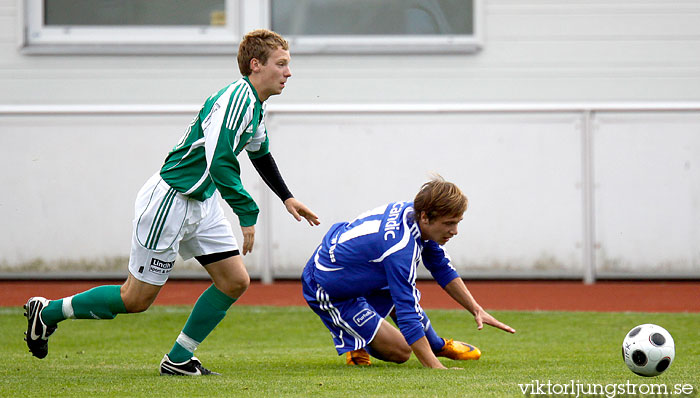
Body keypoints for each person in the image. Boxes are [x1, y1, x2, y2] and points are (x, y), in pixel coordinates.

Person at [23, 29, 319, 376]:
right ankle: (46, 312)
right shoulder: (238, 98)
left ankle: (178, 359)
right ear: (256, 65)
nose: (289, 72)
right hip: (171, 200)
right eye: (281, 64)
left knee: (234, 280)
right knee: (135, 300)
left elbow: (260, 153)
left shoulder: (255, 105)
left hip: (201, 203)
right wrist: (247, 213)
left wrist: (287, 197)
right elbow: (219, 159)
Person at [302, 176, 515, 369]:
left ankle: (437, 345)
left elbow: (441, 266)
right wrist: (436, 368)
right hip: (328, 287)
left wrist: (476, 309)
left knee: (395, 287)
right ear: (425, 217)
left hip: (354, 266)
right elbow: (406, 311)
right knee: (402, 351)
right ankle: (359, 343)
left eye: (457, 223)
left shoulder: (412, 216)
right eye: (449, 224)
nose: (455, 231)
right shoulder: (400, 249)